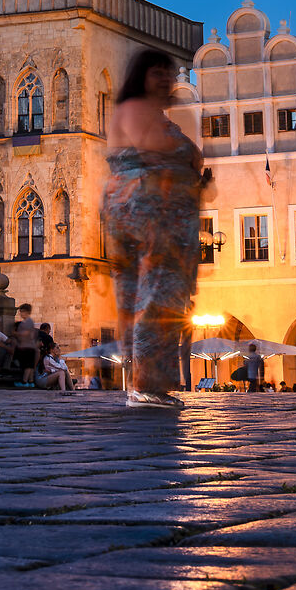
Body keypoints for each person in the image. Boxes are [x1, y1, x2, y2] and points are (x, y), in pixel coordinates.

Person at [102, 49, 205, 409]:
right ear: (140, 77)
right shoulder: (136, 109)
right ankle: (146, 384)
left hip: (145, 207)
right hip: (152, 210)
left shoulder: (146, 112)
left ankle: (139, 383)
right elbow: (157, 148)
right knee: (160, 295)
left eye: (170, 73)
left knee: (135, 297)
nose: (166, 80)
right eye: (157, 73)